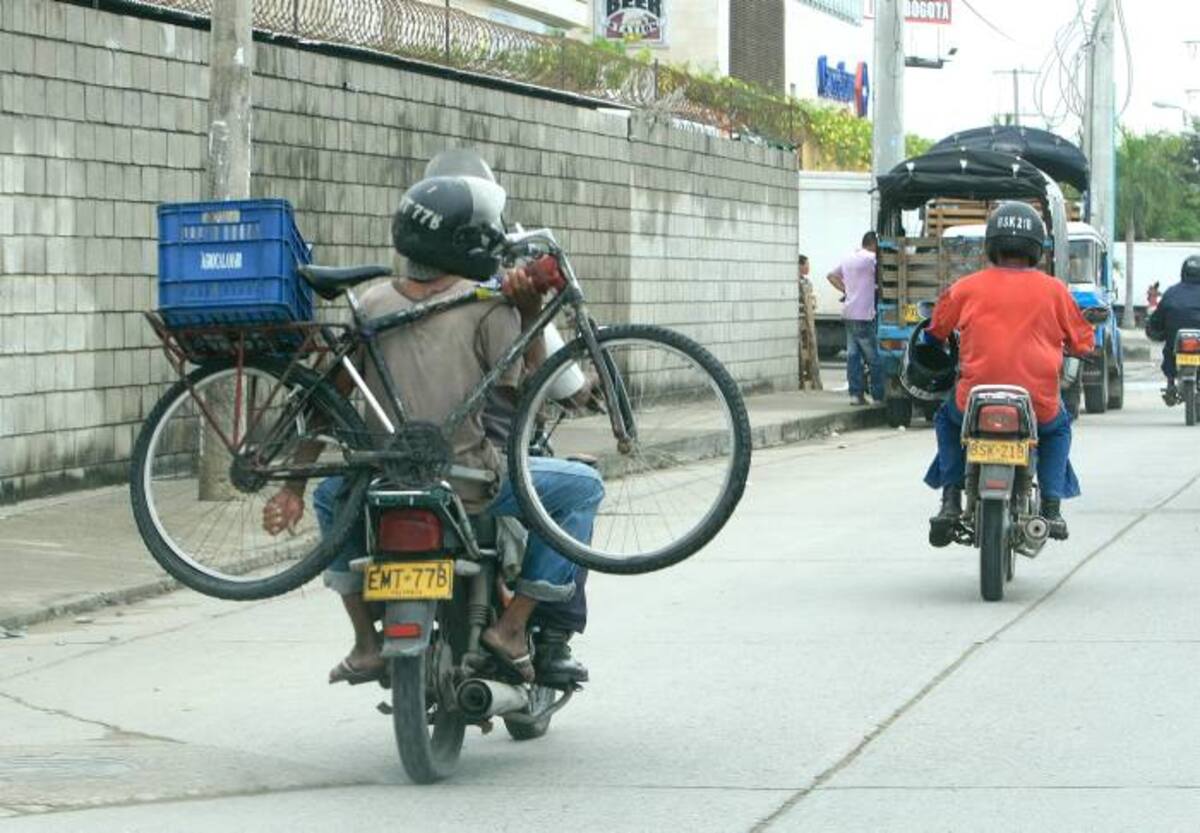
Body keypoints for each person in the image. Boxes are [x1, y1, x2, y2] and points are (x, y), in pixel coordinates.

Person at [262, 151, 602, 687]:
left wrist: (293, 488)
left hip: (383, 481)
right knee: (581, 489)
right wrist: (531, 311)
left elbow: (323, 405)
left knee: (332, 495)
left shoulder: (370, 305)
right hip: (472, 483)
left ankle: (365, 641)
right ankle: (515, 629)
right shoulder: (488, 304)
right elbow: (535, 390)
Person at [922, 202, 1096, 546]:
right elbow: (1083, 342)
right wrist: (1078, 346)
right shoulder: (1055, 290)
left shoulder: (966, 287)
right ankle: (1050, 507)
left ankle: (950, 499)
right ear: (1036, 247)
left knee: (947, 420)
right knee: (1058, 430)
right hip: (1037, 404)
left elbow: (935, 331)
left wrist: (934, 337)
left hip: (974, 401)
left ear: (992, 243)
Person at [827, 231, 883, 405]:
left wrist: (847, 290)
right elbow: (882, 280)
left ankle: (855, 394)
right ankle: (878, 396)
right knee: (874, 358)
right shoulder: (871, 259)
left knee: (853, 355)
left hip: (848, 313)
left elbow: (831, 276)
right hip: (864, 315)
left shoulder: (849, 257)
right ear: (874, 244)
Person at [1146, 255, 1200, 404]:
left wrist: (1155, 329)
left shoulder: (1171, 292)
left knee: (1169, 352)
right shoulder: (1171, 293)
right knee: (1170, 350)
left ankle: (1170, 383)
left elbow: (1157, 319)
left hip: (1174, 342)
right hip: (1176, 343)